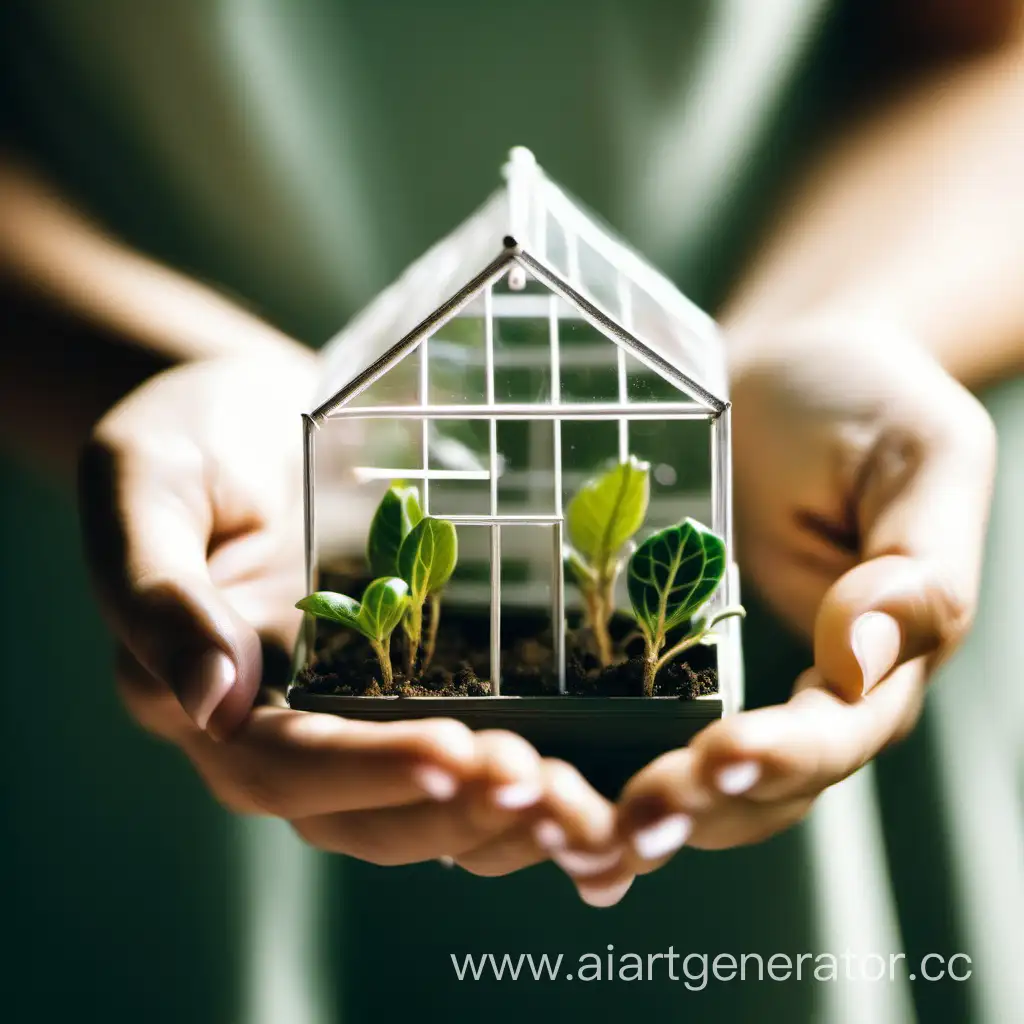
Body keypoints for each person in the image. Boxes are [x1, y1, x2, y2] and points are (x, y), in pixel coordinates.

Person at [1, 1, 1021, 1020]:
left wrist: (849, 327)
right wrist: (138, 365)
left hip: (805, 481)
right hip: (117, 543)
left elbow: (989, 64)